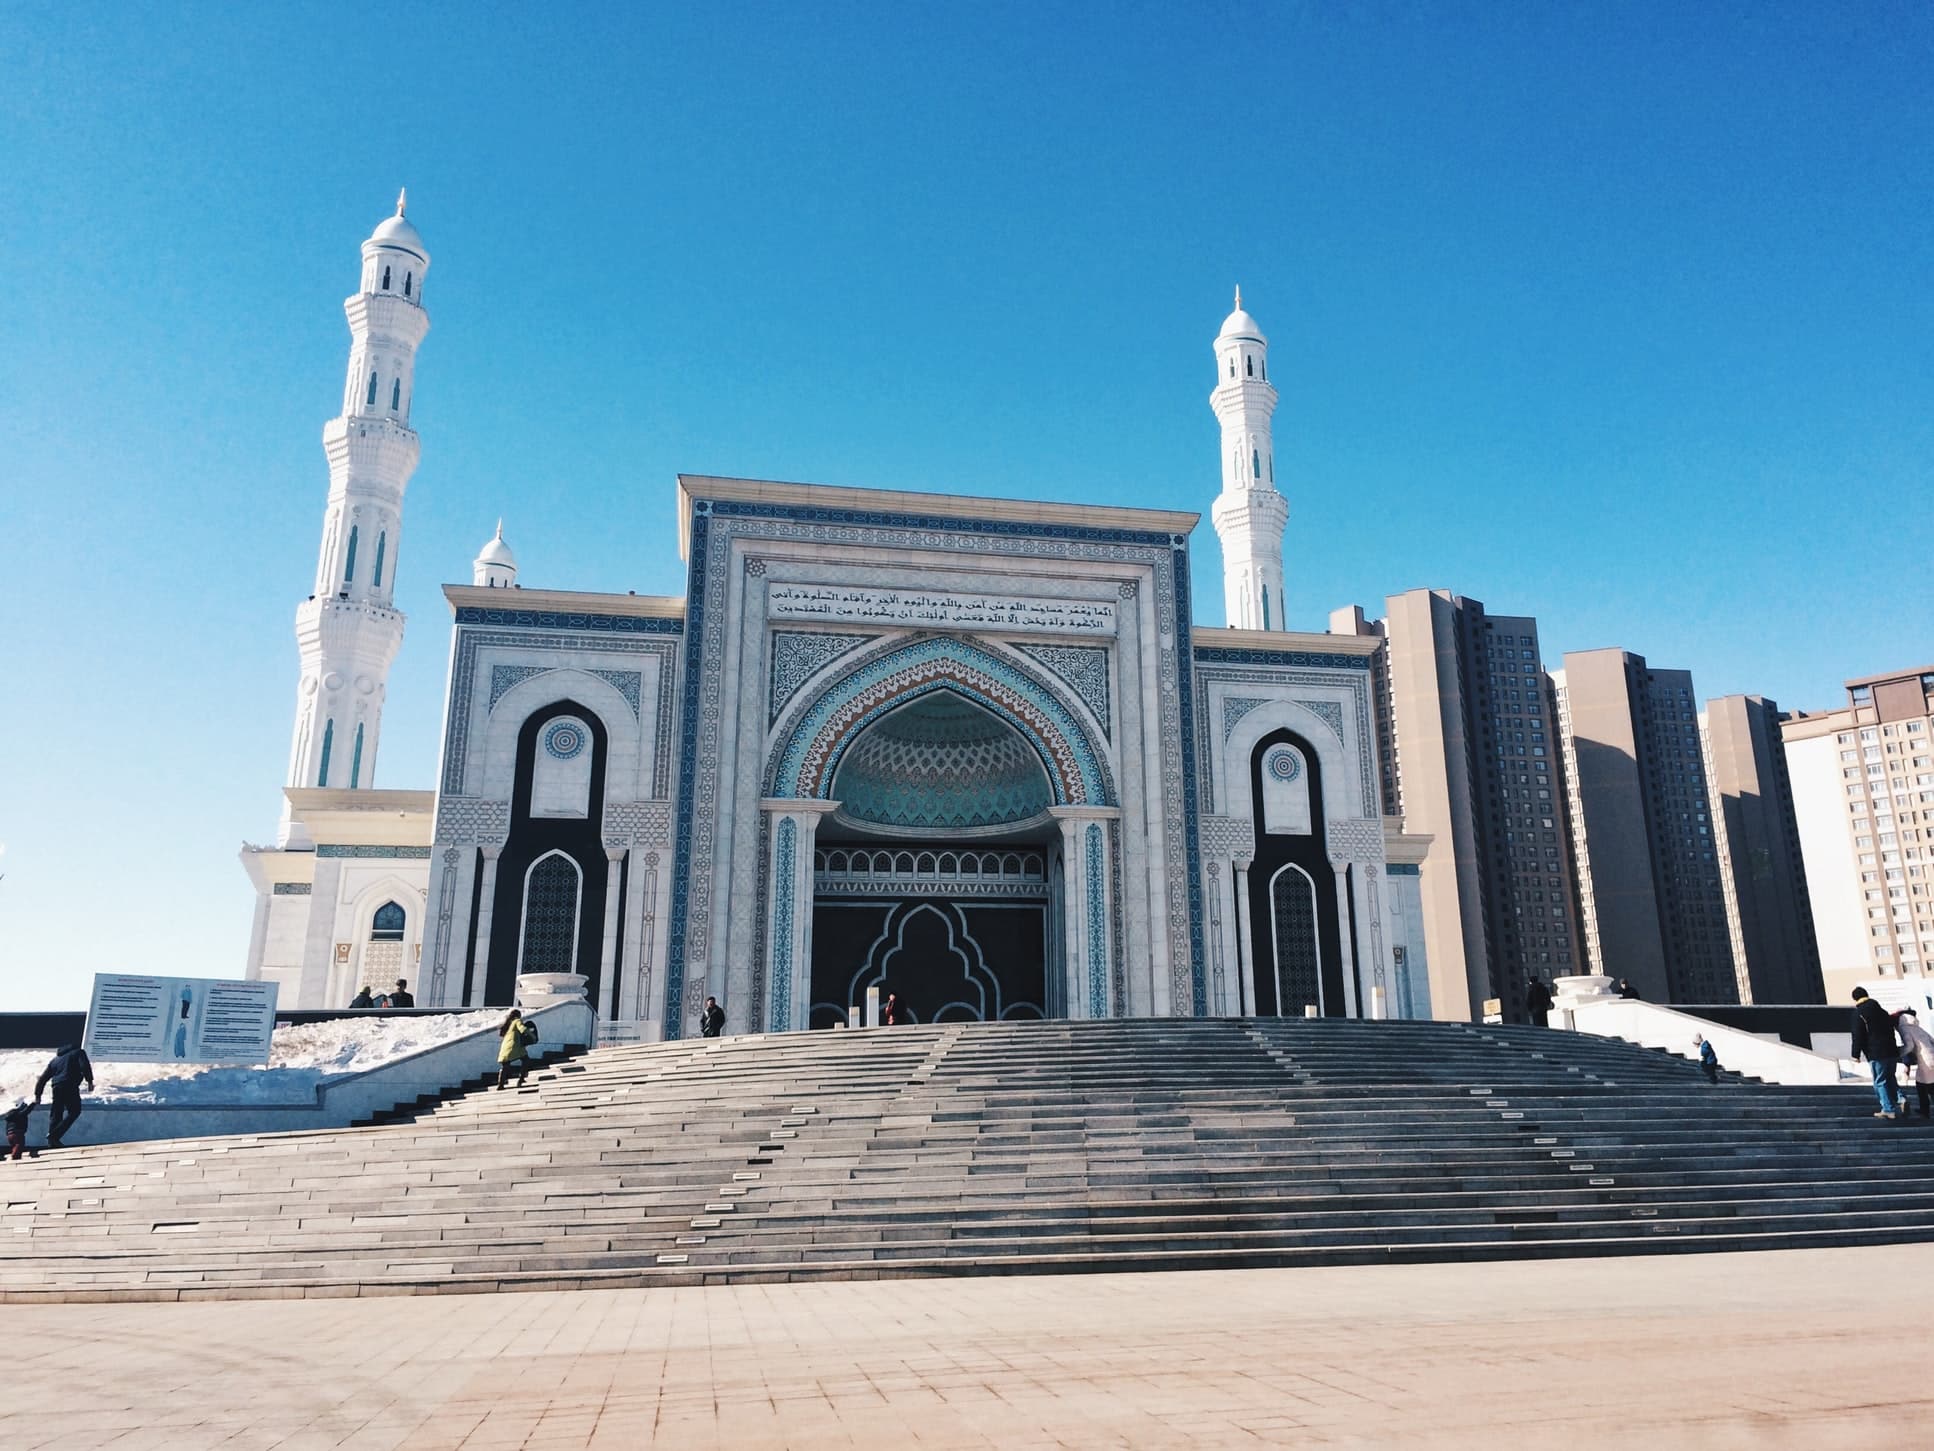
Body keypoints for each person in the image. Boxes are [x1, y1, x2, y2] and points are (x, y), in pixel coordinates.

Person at [1852, 987, 1903, 1119]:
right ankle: (1901, 1099)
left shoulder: (1859, 1013)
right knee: (1890, 1078)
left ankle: (1888, 1109)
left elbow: (1858, 1035)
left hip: (1876, 1052)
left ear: (1855, 999)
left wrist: (1855, 1054)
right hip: (1891, 1051)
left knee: (1880, 1081)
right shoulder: (1882, 1012)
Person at [35, 1043, 94, 1149]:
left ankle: (52, 1143)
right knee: (75, 1111)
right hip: (70, 1084)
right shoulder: (78, 1052)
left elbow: (43, 1078)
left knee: (56, 1113)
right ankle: (54, 1136)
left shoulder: (55, 1060)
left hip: (56, 1087)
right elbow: (84, 1065)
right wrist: (89, 1080)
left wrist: (38, 1094)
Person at [1897, 1008, 1934, 1119]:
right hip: (1931, 1058)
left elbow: (1909, 1045)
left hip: (1924, 1061)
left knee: (1921, 1086)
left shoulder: (1904, 1028)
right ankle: (1924, 1110)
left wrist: (1899, 1053)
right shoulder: (1919, 1028)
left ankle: (1924, 1111)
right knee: (1930, 1086)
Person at [496, 1009, 540, 1089]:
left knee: (505, 1066)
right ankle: (521, 1079)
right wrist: (533, 1036)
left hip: (505, 1048)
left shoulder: (508, 1025)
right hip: (515, 1047)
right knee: (526, 1060)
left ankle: (500, 1085)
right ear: (518, 1016)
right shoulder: (517, 1021)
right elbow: (523, 1029)